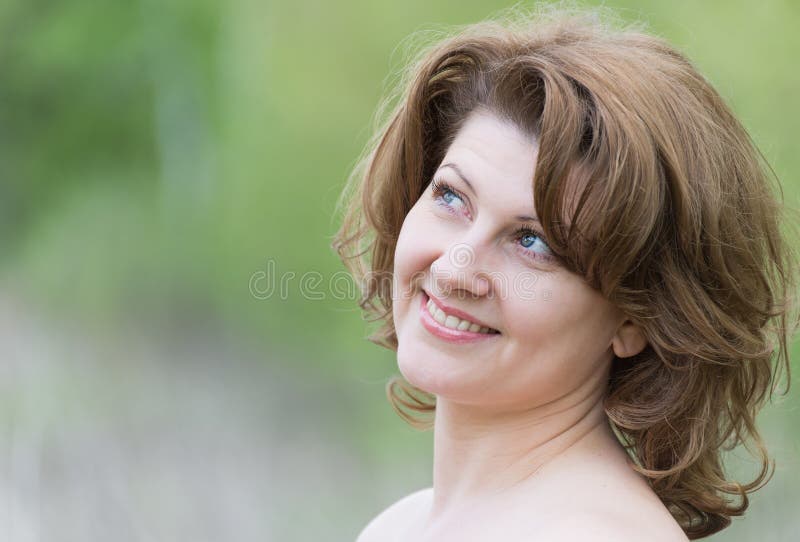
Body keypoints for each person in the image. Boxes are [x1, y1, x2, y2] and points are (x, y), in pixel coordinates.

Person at [332, 7, 798, 541]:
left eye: (533, 242)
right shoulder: (401, 526)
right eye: (451, 196)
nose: (457, 268)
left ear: (639, 318)